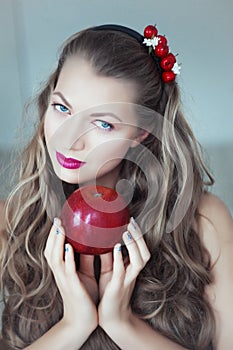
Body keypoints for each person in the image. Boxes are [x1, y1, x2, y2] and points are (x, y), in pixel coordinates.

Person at [0, 23, 232, 350]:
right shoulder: (9, 223)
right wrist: (73, 326)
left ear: (142, 133)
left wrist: (122, 324)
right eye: (62, 108)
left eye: (103, 123)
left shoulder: (202, 220)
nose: (70, 140)